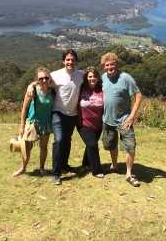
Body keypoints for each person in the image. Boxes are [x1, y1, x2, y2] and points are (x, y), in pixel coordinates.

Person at [28, 49, 83, 185]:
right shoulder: (56, 75)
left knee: (67, 140)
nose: (70, 62)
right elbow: (42, 81)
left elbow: (93, 81)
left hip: (73, 114)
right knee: (58, 140)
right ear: (63, 61)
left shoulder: (81, 75)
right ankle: (56, 173)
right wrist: (30, 85)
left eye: (72, 59)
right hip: (58, 113)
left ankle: (64, 165)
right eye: (67, 59)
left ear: (76, 61)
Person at [101, 52, 143, 187]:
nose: (109, 67)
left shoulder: (126, 78)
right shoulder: (103, 77)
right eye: (107, 65)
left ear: (117, 64)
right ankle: (114, 165)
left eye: (112, 64)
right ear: (104, 67)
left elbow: (138, 96)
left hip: (124, 119)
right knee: (110, 145)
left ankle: (129, 174)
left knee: (130, 146)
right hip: (108, 119)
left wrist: (131, 116)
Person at [12, 67, 54, 177]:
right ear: (37, 79)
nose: (44, 80)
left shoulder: (52, 91)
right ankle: (23, 168)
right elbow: (24, 109)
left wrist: (31, 84)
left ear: (49, 78)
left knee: (43, 147)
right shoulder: (32, 91)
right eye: (41, 78)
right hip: (33, 123)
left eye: (46, 78)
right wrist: (21, 126)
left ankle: (42, 168)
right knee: (27, 147)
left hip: (46, 123)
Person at [77, 67, 104, 178]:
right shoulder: (81, 88)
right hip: (83, 123)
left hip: (98, 124)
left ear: (98, 77)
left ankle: (86, 164)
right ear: (86, 78)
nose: (92, 78)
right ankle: (96, 170)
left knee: (90, 144)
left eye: (94, 76)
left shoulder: (102, 89)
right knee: (93, 144)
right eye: (90, 76)